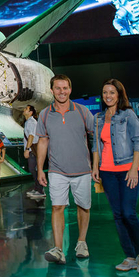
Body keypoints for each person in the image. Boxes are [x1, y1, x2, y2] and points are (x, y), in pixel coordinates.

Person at [91, 78, 139, 274]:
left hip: (127, 170)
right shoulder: (98, 118)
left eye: (112, 92)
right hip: (107, 172)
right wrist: (95, 167)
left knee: (128, 213)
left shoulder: (128, 114)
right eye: (105, 92)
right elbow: (96, 146)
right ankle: (130, 257)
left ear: (119, 95)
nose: (107, 96)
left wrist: (133, 168)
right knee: (117, 215)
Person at [36, 74, 95, 265]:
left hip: (82, 170)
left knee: (83, 207)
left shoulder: (83, 111)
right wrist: (40, 169)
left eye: (65, 88)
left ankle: (81, 243)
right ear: (51, 90)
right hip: (56, 170)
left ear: (70, 89)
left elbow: (96, 137)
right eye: (58, 88)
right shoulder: (45, 114)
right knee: (57, 207)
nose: (62, 92)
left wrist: (96, 165)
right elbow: (42, 142)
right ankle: (58, 249)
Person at [23, 105, 45, 199]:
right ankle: (37, 188)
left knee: (34, 169)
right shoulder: (28, 122)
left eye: (26, 109)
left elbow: (31, 136)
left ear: (30, 112)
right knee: (33, 169)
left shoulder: (31, 122)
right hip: (33, 149)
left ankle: (40, 190)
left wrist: (27, 149)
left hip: (32, 149)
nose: (24, 110)